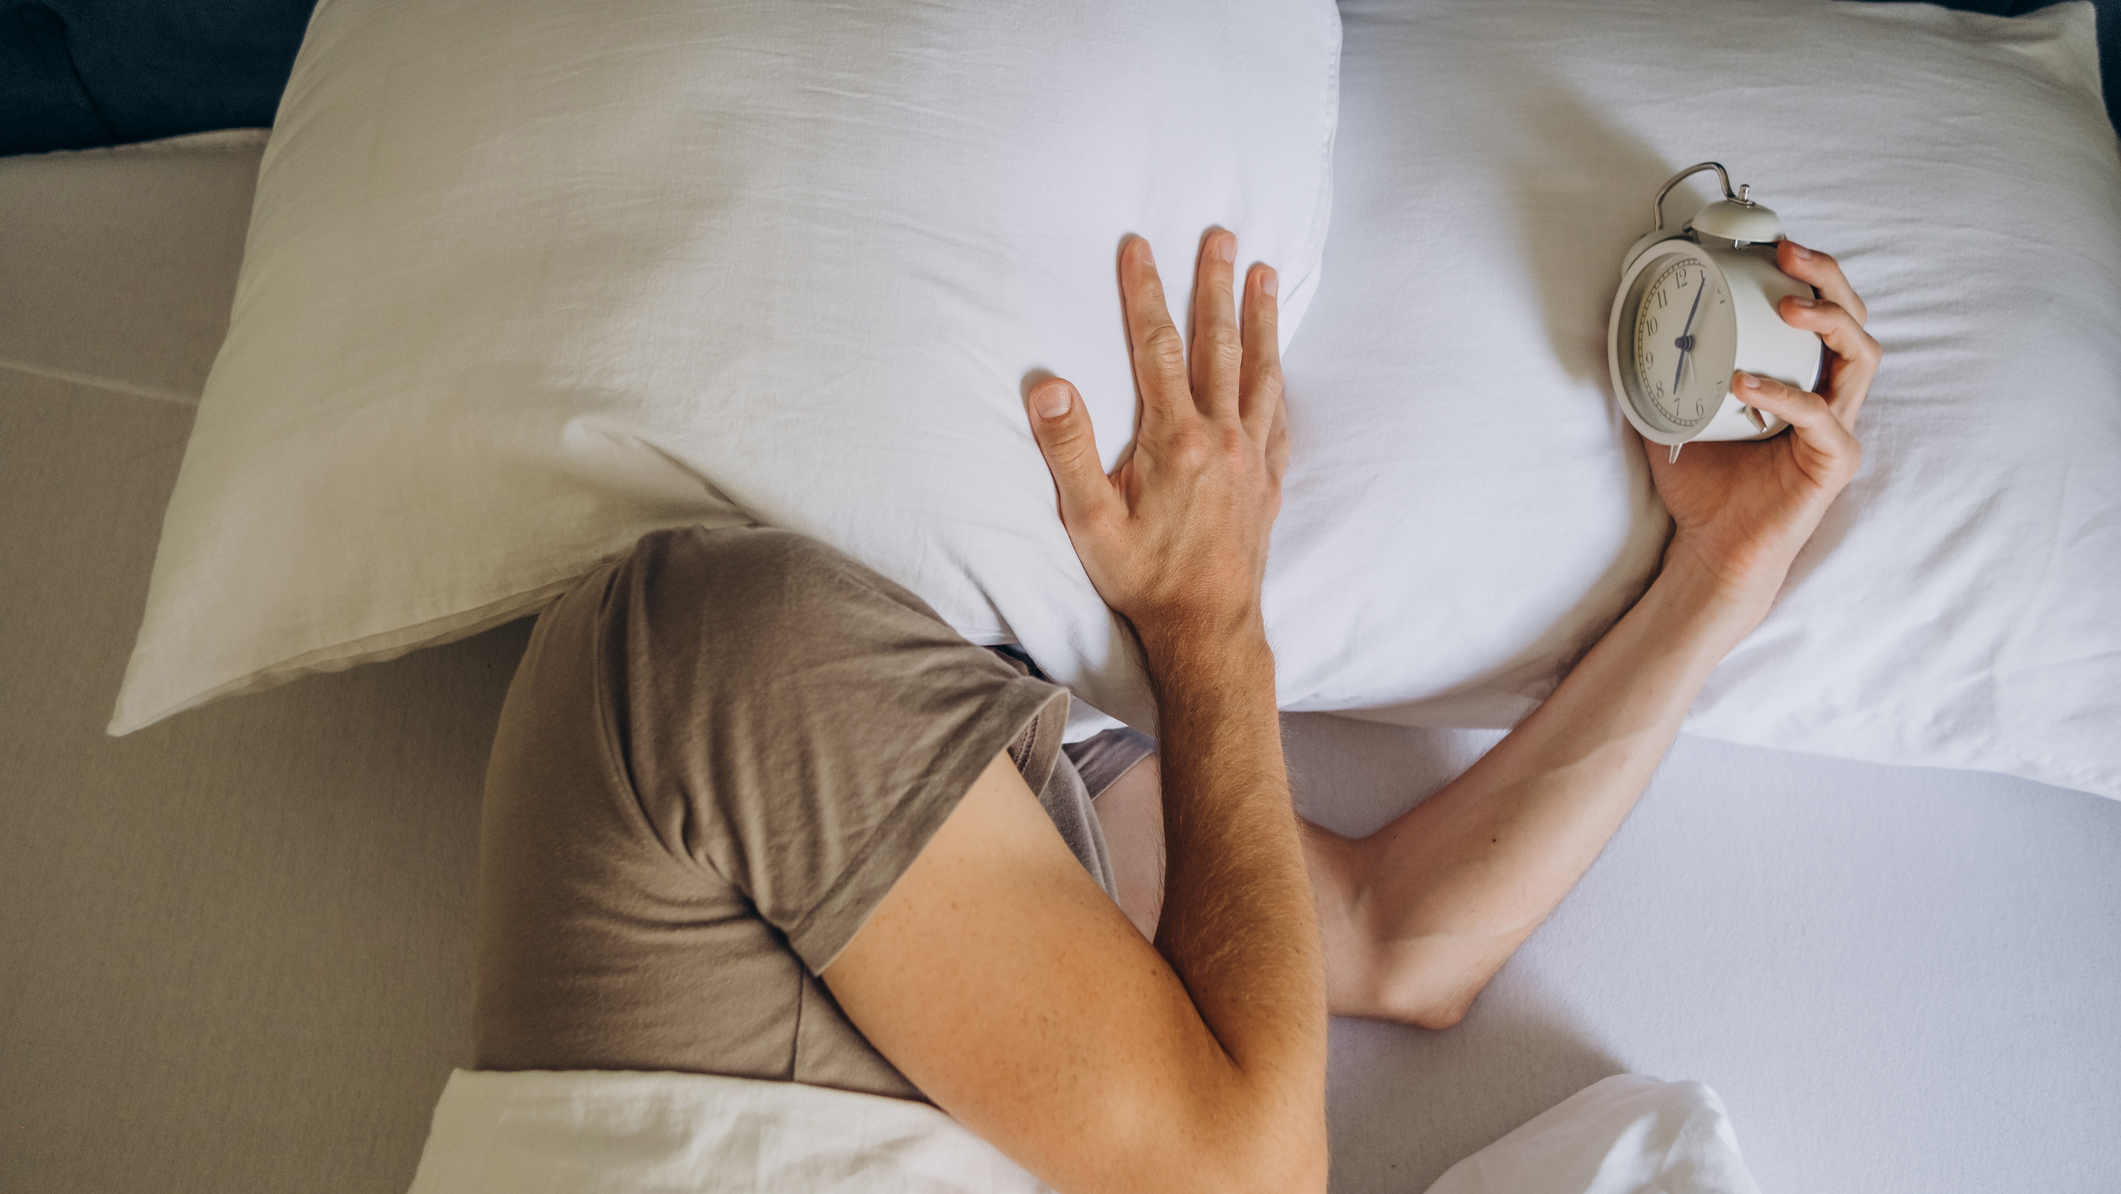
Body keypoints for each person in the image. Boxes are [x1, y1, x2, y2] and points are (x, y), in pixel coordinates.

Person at [468, 230, 1878, 1193]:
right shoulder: (727, 653)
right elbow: (1244, 1170)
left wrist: (1721, 571)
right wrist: (1208, 632)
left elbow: (1402, 939)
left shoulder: (984, 746)